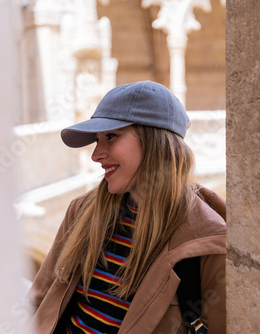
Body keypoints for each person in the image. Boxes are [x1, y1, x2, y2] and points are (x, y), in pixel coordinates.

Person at [27, 81, 226, 334]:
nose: (95, 154)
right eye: (97, 140)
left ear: (155, 141)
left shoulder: (207, 244)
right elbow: (39, 297)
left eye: (110, 136)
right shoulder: (81, 212)